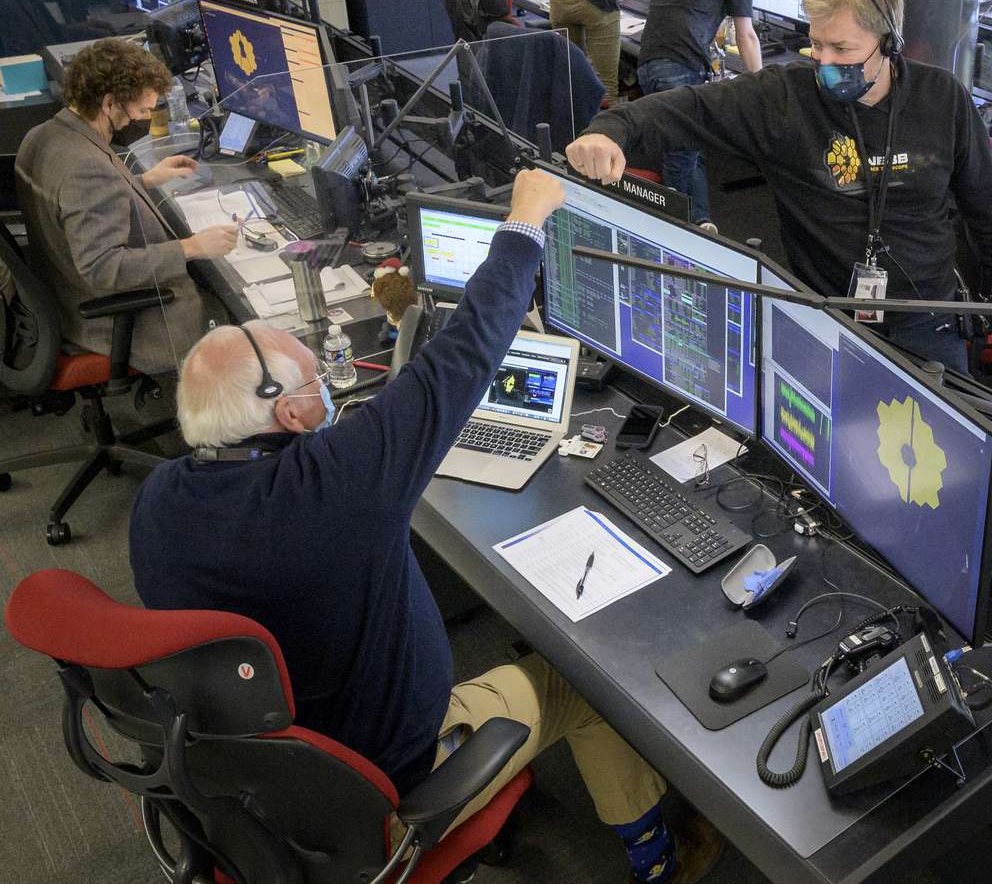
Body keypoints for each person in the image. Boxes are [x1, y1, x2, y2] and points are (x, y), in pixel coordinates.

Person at [128, 168, 723, 884]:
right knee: (584, 681)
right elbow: (464, 353)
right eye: (317, 386)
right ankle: (659, 855)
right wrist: (525, 220)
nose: (327, 392)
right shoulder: (337, 485)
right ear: (286, 416)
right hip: (382, 776)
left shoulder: (159, 497)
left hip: (260, 767)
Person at [567, 0, 992, 375]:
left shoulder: (942, 98)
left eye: (842, 50)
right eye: (816, 45)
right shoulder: (785, 98)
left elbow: (985, 200)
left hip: (927, 319)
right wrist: (611, 128)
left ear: (889, 43)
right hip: (821, 317)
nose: (824, 63)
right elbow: (689, 109)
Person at [15, 39, 235, 375]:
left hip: (62, 293)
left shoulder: (43, 135)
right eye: (142, 110)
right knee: (238, 320)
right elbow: (104, 269)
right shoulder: (85, 168)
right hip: (114, 321)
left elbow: (75, 206)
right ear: (108, 102)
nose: (145, 118)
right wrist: (192, 247)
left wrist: (144, 181)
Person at [636, 0, 762, 227]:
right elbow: (746, 35)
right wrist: (762, 84)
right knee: (680, 160)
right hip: (678, 68)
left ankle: (703, 224)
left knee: (689, 148)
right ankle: (676, 232)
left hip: (648, 62)